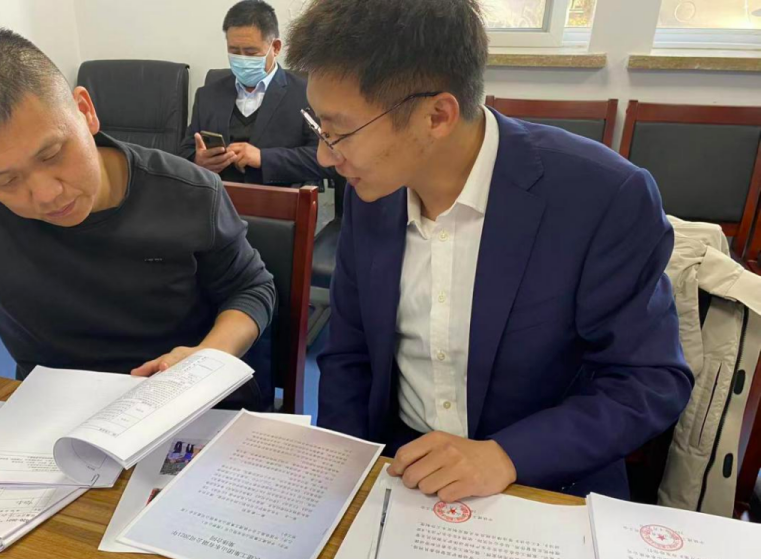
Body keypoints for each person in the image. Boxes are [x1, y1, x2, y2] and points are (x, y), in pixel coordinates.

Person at [0, 27, 275, 499]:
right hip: (54, 443)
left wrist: (207, 357)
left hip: (189, 421)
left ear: (85, 110)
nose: (45, 194)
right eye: (5, 180)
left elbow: (251, 288)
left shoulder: (187, 193)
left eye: (52, 153)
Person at [286, 0, 693, 501]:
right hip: (402, 475)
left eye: (339, 132)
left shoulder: (602, 197)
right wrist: (343, 479)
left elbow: (648, 380)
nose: (325, 156)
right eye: (319, 129)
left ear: (437, 116)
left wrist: (508, 455)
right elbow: (349, 355)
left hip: (544, 481)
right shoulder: (374, 191)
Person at [178, 0, 332, 186]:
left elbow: (326, 160)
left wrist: (264, 158)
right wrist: (198, 160)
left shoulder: (306, 94)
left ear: (275, 47)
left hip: (278, 199)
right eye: (234, 51)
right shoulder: (208, 95)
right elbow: (184, 151)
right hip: (217, 197)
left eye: (251, 52)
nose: (242, 59)